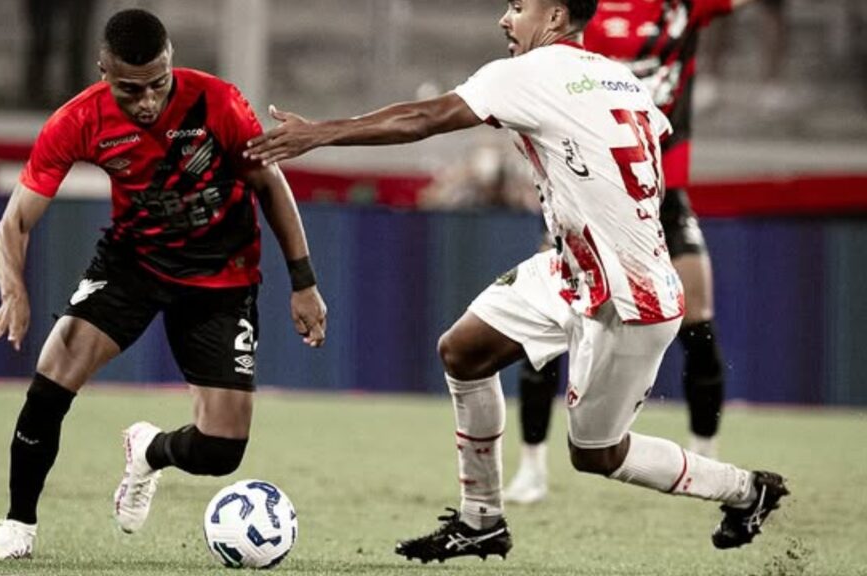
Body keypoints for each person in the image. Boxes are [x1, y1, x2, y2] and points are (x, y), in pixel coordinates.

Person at [245, 0, 787, 564]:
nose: (505, 18)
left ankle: (747, 490)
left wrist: (321, 133)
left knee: (597, 454)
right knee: (463, 352)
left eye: (519, 6)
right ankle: (481, 520)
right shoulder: (621, 78)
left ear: (554, 18)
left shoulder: (530, 72)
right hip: (576, 269)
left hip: (630, 300)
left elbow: (426, 119)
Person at [0, 8, 327, 560]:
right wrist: (13, 288)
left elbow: (269, 185)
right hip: (133, 265)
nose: (148, 101)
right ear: (103, 71)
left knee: (222, 450)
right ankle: (18, 526)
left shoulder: (218, 103)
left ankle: (148, 451)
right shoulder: (78, 120)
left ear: (171, 63)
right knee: (52, 371)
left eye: (158, 84)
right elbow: (15, 220)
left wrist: (303, 282)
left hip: (221, 277)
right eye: (131, 90)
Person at [503, 0, 767, 506]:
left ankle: (704, 452)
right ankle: (532, 468)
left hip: (664, 192)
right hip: (592, 192)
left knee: (700, 320)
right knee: (545, 326)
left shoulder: (683, 6)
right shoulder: (586, 13)